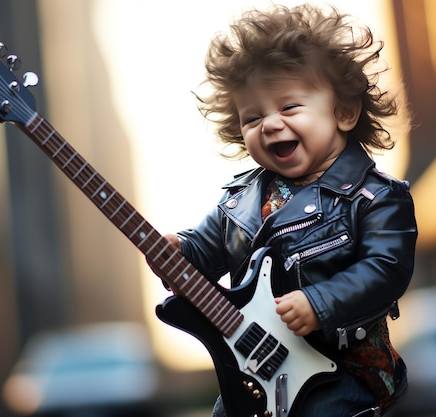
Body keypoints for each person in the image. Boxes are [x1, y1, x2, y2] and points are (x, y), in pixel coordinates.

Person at [147, 4, 417, 417]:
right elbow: (204, 248)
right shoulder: (239, 201)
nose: (269, 124)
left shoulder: (376, 196)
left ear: (343, 111)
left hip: (342, 372)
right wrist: (177, 249)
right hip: (257, 369)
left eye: (289, 107)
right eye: (252, 117)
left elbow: (385, 269)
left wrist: (319, 302)